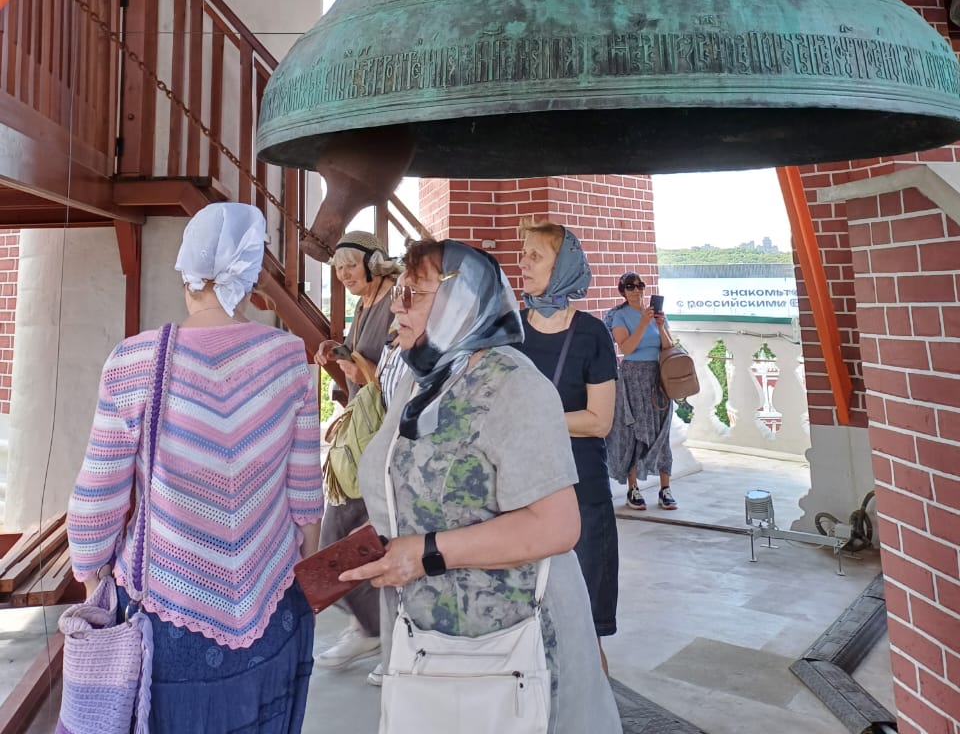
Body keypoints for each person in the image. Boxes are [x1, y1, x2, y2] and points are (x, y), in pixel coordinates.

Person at [340, 239, 621, 734]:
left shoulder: (514, 386)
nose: (397, 308)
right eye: (398, 293)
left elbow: (556, 526)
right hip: (428, 638)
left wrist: (425, 553)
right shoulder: (420, 382)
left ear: (462, 303)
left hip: (509, 648)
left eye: (413, 294)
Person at [66, 202, 324, 734]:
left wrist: (93, 582)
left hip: (165, 619)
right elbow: (305, 496)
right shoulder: (289, 358)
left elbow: (96, 501)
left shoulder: (133, 361)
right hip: (272, 608)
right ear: (251, 277)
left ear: (186, 273)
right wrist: (300, 568)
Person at [514, 219, 619, 672]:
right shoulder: (510, 329)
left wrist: (536, 418)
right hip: (520, 489)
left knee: (584, 628)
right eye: (523, 255)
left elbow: (599, 421)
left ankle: (593, 701)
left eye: (535, 256)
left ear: (563, 266)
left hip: (579, 489)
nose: (523, 264)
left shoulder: (591, 334)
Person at [313, 230, 401, 683]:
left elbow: (397, 374)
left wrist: (358, 368)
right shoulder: (365, 304)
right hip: (360, 438)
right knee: (338, 540)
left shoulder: (394, 301)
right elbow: (361, 366)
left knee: (370, 539)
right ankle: (371, 628)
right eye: (339, 269)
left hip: (385, 439)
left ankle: (383, 634)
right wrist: (338, 354)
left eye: (351, 265)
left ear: (373, 262)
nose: (345, 275)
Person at [605, 272, 678, 511]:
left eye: (640, 285)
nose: (636, 290)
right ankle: (633, 488)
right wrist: (643, 324)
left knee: (662, 430)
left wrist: (660, 325)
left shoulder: (655, 314)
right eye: (630, 286)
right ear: (623, 291)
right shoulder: (620, 316)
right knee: (634, 433)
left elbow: (668, 346)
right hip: (633, 377)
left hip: (658, 377)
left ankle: (665, 488)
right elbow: (626, 348)